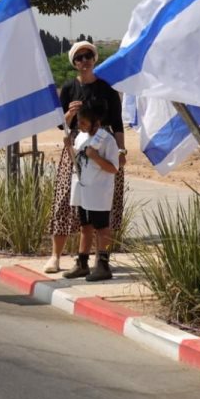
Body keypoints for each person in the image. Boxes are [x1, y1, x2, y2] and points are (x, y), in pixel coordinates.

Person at [44, 41, 127, 274]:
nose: (84, 61)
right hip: (76, 147)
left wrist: (121, 152)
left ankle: (100, 261)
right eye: (79, 58)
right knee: (66, 200)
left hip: (105, 147)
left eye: (88, 56)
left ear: (95, 58)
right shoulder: (70, 88)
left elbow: (118, 124)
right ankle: (56, 256)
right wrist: (69, 114)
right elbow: (61, 125)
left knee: (103, 205)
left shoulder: (107, 90)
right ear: (73, 62)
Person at [62, 100, 120, 282]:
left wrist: (95, 157)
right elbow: (77, 162)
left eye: (84, 122)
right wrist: (69, 147)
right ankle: (82, 263)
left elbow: (114, 168)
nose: (80, 125)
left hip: (99, 191)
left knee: (102, 228)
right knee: (85, 227)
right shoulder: (80, 136)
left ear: (96, 122)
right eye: (79, 121)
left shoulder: (106, 139)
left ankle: (103, 264)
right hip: (83, 188)